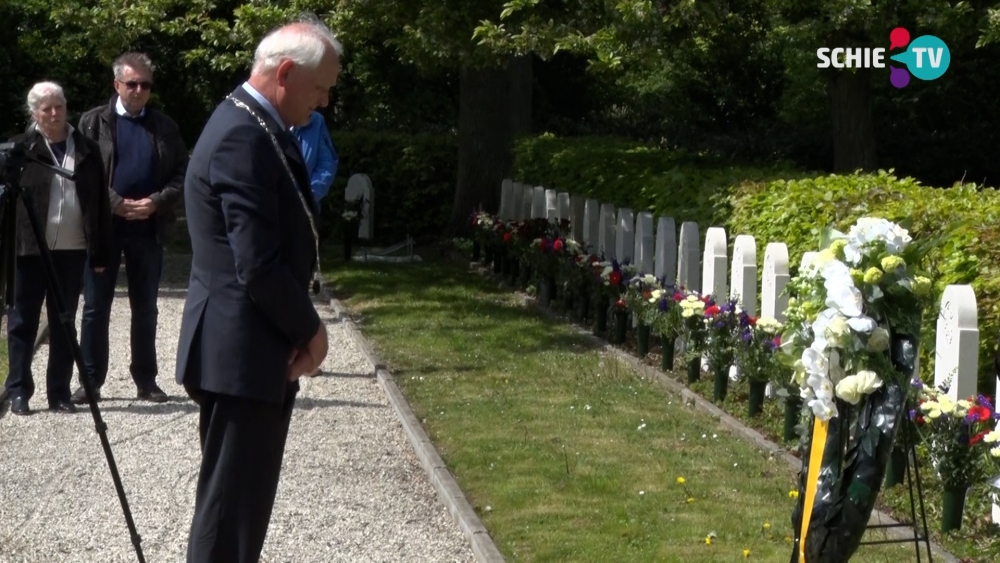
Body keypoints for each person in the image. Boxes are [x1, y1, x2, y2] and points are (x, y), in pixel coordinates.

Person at [175, 16, 337, 562]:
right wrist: (313, 333)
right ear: (285, 73)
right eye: (320, 89)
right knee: (228, 520)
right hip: (243, 350)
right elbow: (258, 264)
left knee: (237, 513)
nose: (324, 102)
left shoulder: (253, 124)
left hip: (248, 348)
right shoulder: (243, 134)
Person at [73, 52, 188, 404]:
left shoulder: (165, 126)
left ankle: (146, 380)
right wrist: (114, 202)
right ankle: (91, 380)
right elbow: (80, 173)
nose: (139, 90)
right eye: (132, 84)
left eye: (145, 85)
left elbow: (183, 175)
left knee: (146, 308)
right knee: (95, 307)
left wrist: (156, 202)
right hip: (104, 228)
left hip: (147, 228)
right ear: (117, 85)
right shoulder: (92, 123)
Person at [4, 81, 113, 415]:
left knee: (64, 322)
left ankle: (59, 392)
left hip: (71, 248)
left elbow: (99, 203)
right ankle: (19, 391)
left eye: (59, 106)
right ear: (34, 112)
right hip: (29, 249)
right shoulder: (20, 149)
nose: (54, 113)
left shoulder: (86, 148)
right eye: (46, 108)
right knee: (22, 321)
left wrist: (100, 252)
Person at [292, 110, 337, 212]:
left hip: (306, 212)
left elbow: (326, 165)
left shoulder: (317, 121)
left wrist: (309, 196)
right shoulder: (271, 120)